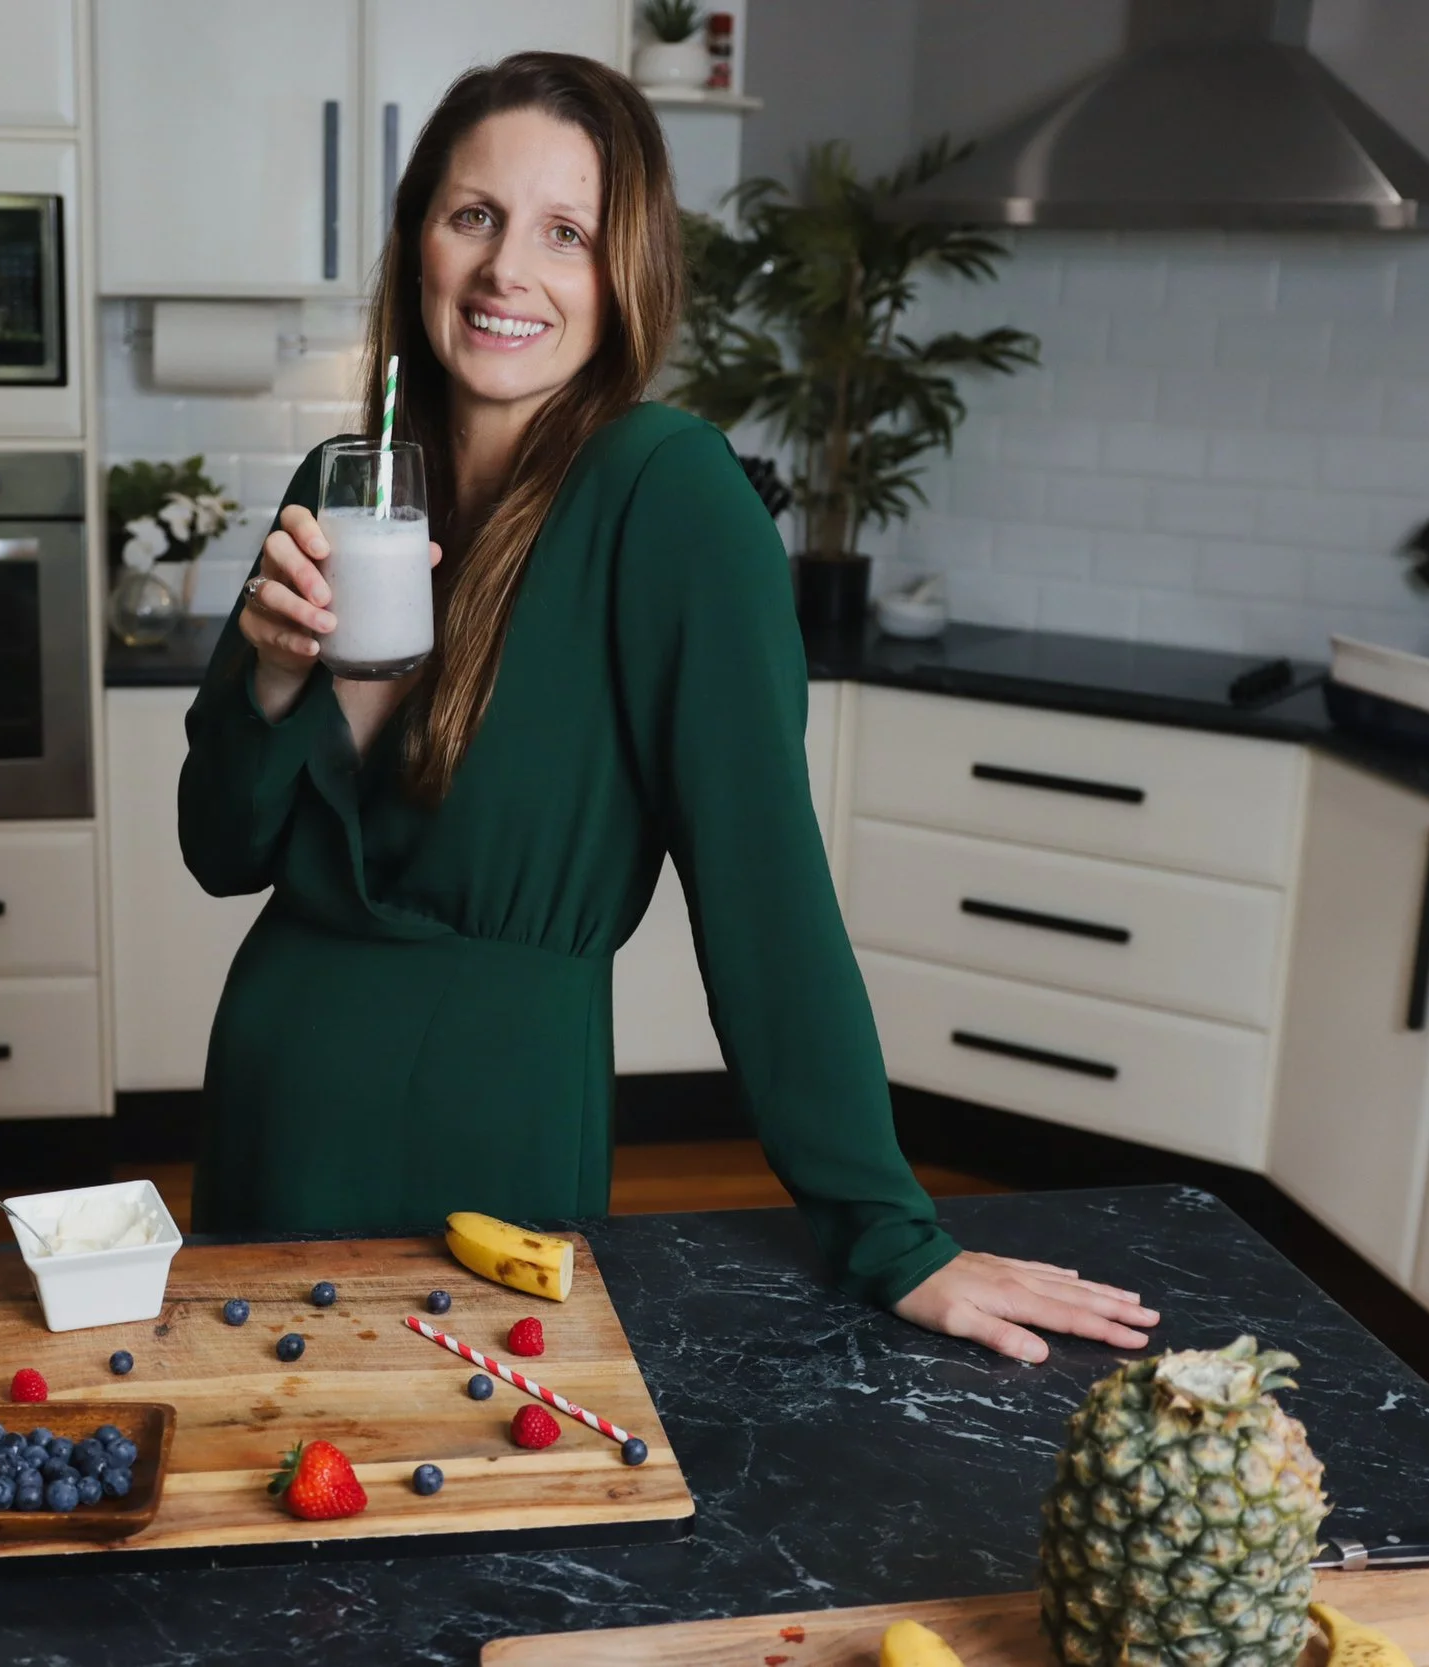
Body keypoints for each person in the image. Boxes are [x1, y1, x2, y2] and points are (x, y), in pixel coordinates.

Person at [178, 53, 1156, 1363]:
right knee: (254, 1504)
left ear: (622, 272)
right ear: (419, 233)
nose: (504, 270)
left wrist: (888, 1227)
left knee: (466, 1510)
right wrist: (282, 676)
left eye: (564, 233)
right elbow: (217, 845)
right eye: (473, 215)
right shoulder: (348, 479)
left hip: (486, 1123)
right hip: (268, 1097)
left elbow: (767, 886)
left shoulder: (670, 497)